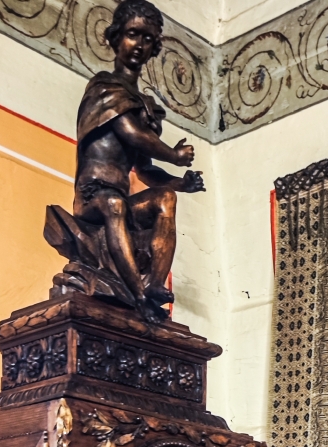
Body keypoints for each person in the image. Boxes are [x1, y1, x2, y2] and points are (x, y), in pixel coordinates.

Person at [45, 1, 204, 318]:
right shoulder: (105, 87)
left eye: (148, 38)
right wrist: (174, 155)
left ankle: (155, 285)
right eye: (133, 34)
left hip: (119, 198)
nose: (140, 44)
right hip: (92, 198)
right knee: (114, 204)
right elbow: (129, 132)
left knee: (165, 199)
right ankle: (139, 295)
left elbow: (145, 170)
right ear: (116, 37)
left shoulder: (145, 107)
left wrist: (180, 183)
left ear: (154, 47)